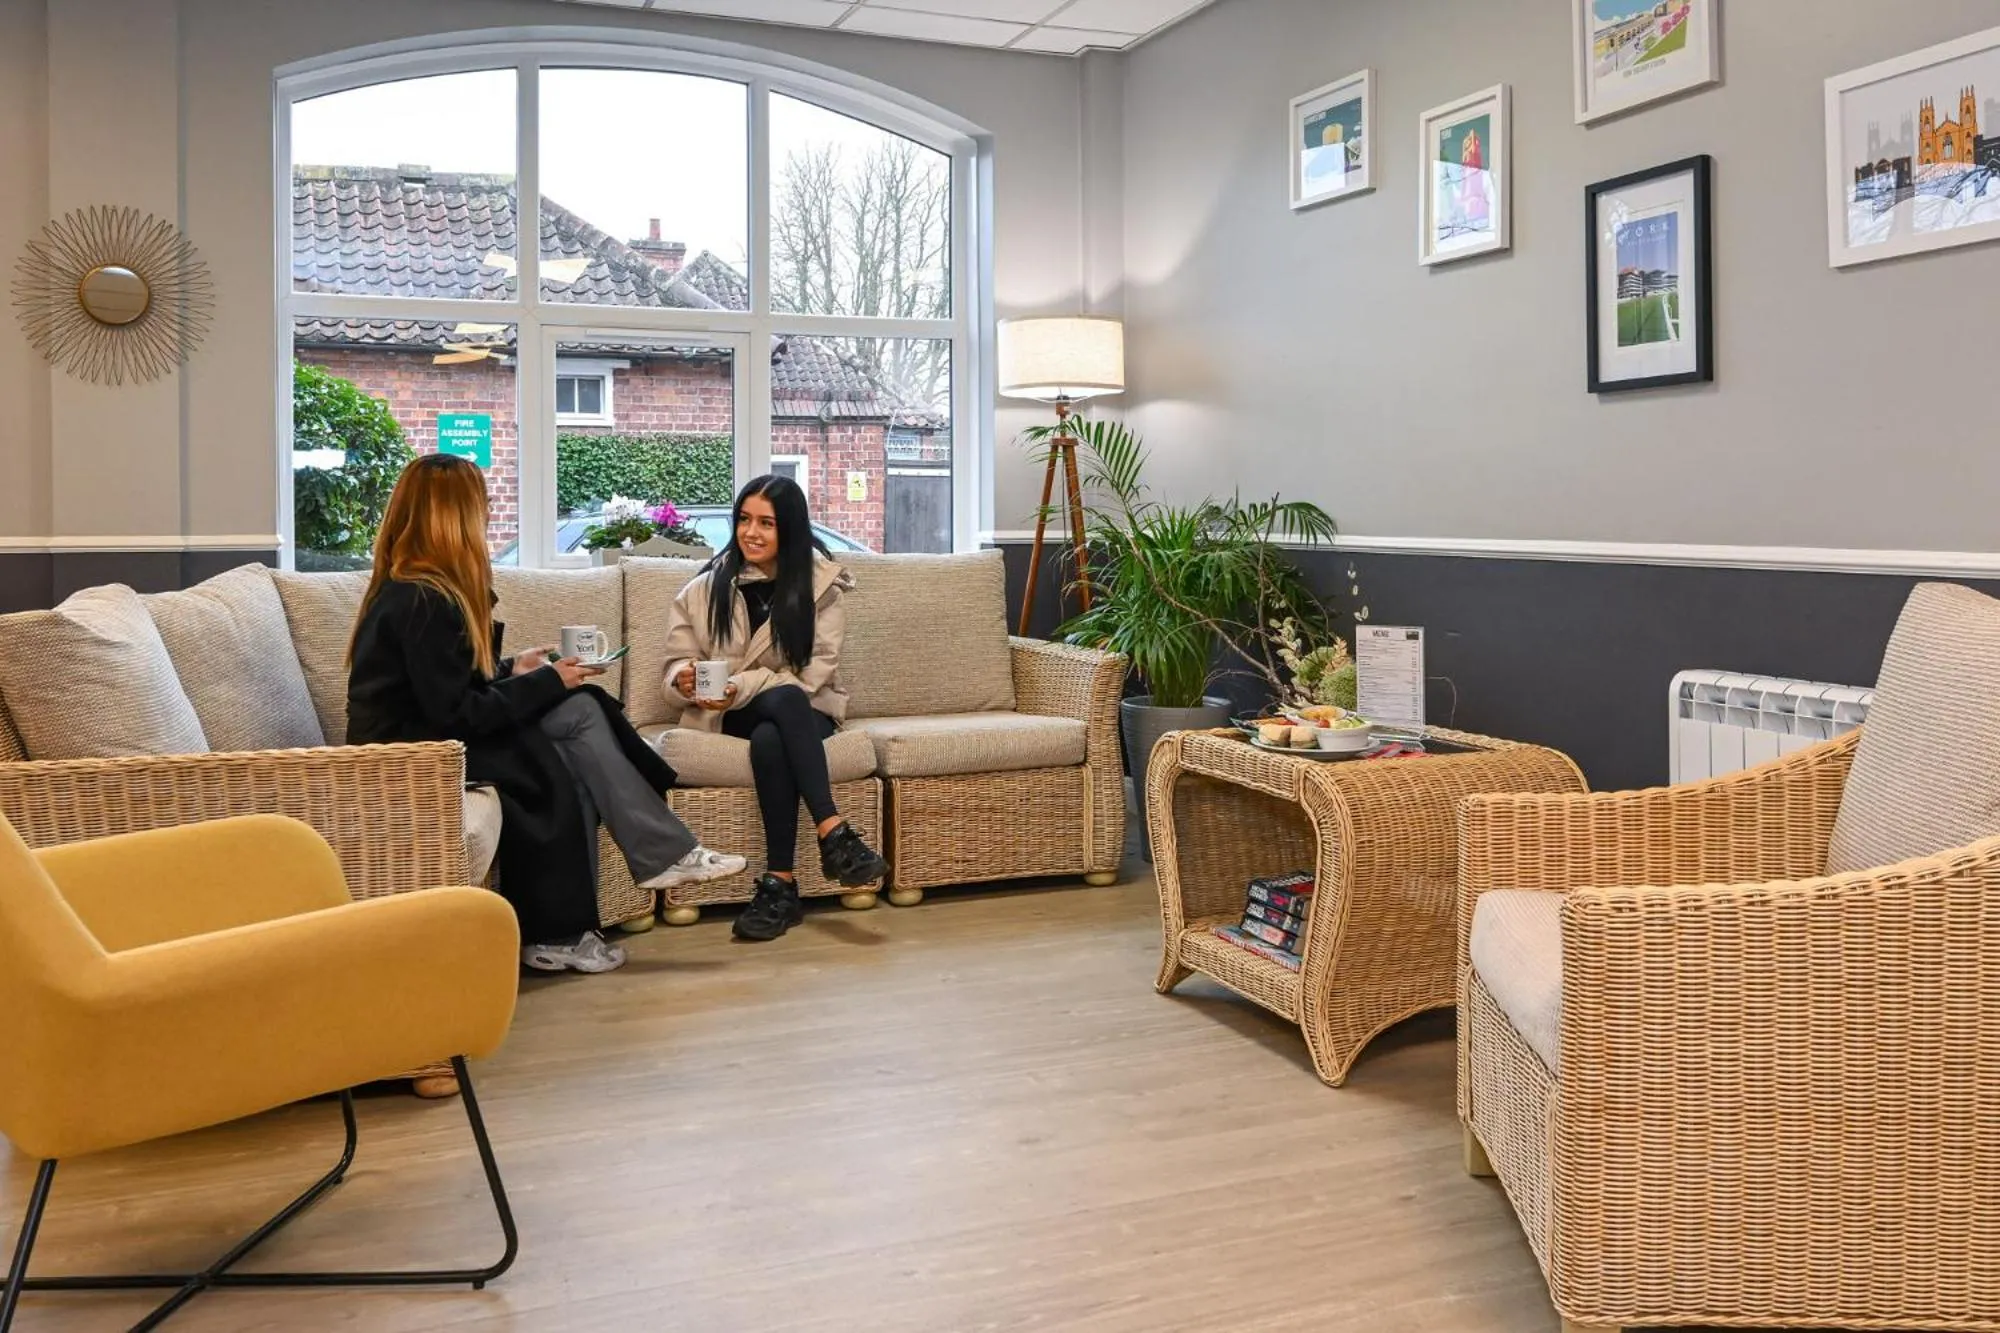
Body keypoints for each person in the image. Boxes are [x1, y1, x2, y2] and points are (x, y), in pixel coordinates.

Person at [346, 454, 745, 974]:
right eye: (481, 504)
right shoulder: (422, 600)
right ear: (454, 517)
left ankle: (600, 905)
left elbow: (448, 684)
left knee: (578, 709)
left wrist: (516, 667)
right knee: (553, 753)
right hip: (414, 754)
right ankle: (615, 888)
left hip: (430, 733)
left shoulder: (423, 589)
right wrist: (545, 680)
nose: (488, 514)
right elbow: (455, 715)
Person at [660, 475, 886, 942]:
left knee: (775, 725)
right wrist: (682, 678)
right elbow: (674, 670)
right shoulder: (701, 592)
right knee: (770, 712)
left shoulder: (822, 590)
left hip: (805, 710)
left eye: (767, 522)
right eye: (744, 520)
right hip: (727, 713)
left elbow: (811, 678)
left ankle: (780, 885)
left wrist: (742, 683)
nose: (752, 533)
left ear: (792, 529)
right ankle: (835, 833)